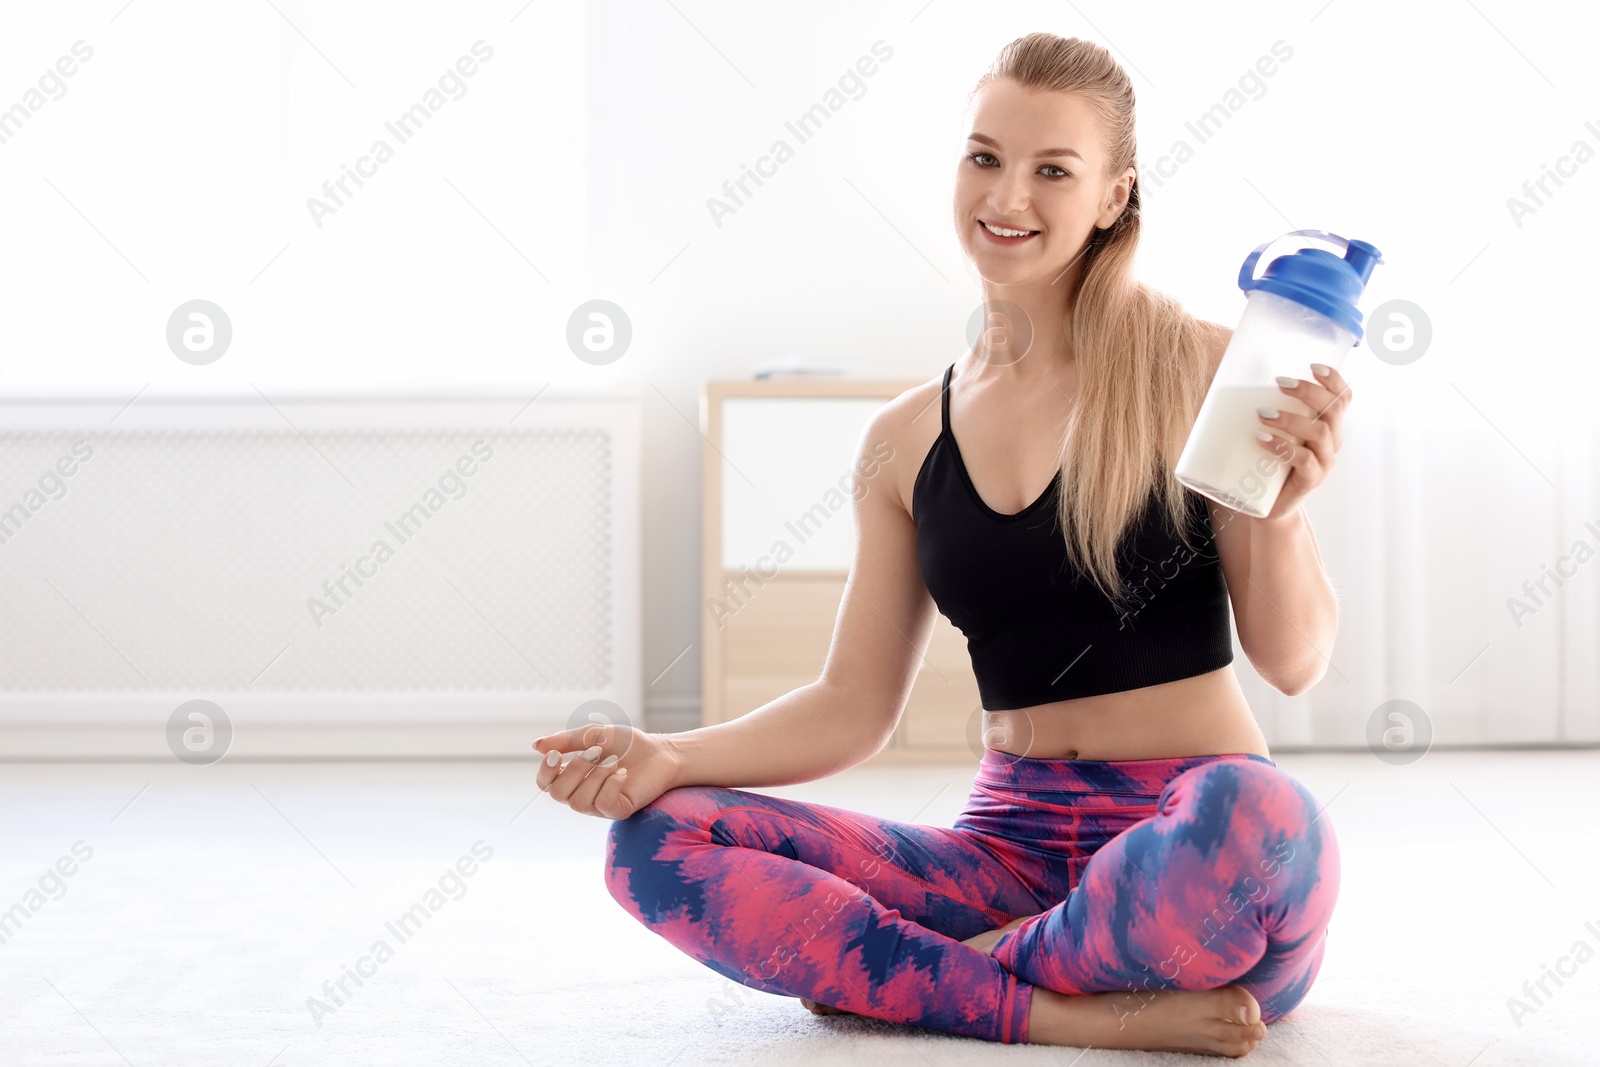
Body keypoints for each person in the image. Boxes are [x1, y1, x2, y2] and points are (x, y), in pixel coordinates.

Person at [533, 32, 1345, 1058]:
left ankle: (919, 978)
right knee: (655, 839)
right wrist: (666, 755)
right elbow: (850, 704)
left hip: (1195, 845)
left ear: (1111, 195)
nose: (1007, 195)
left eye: (1053, 169)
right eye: (984, 156)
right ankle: (1050, 1001)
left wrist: (1278, 508)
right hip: (1005, 847)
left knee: (1260, 812)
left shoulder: (1205, 368)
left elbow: (1294, 660)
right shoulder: (904, 437)